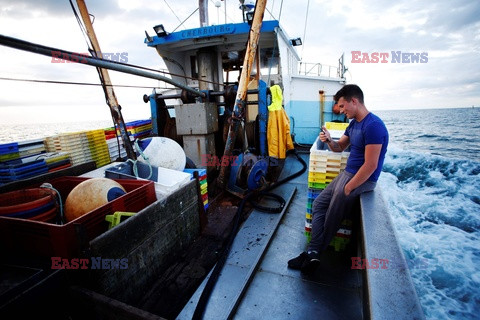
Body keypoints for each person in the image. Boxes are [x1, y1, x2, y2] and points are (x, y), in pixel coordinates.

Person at [288, 84, 389, 273]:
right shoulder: (354, 124)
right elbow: (339, 147)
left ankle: (312, 254)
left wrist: (349, 188)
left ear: (354, 101)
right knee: (318, 205)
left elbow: (371, 165)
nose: (340, 111)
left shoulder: (373, 126)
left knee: (332, 217)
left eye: (343, 107)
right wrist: (328, 140)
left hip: (362, 180)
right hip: (347, 175)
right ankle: (313, 253)